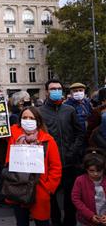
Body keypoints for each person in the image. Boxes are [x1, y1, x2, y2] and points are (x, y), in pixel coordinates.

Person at [5, 106, 62, 226]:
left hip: (40, 190)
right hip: (18, 188)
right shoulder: (13, 135)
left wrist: (48, 188)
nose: (28, 120)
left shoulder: (48, 140)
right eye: (25, 117)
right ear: (20, 120)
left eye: (31, 118)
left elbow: (56, 167)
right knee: (21, 222)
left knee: (42, 222)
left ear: (38, 121)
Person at [39, 79, 85, 226]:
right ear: (47, 91)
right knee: (51, 199)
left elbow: (80, 133)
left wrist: (73, 151)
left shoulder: (69, 110)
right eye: (53, 89)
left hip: (70, 163)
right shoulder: (40, 112)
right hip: (50, 165)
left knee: (71, 199)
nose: (56, 91)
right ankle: (56, 222)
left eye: (59, 88)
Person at [72, 149, 106, 226]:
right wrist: (90, 215)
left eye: (99, 171)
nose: (96, 174)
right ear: (86, 169)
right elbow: (75, 199)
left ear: (103, 169)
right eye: (92, 171)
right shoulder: (80, 180)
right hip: (84, 221)